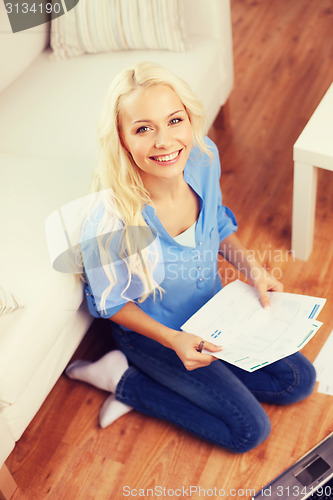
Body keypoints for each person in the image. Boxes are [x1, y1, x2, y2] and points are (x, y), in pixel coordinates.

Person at [66, 62, 316, 453]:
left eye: (174, 120)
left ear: (189, 118)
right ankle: (124, 379)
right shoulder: (110, 222)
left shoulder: (201, 157)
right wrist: (175, 340)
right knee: (250, 431)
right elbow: (112, 304)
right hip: (156, 338)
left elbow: (215, 222)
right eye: (144, 128)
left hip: (214, 315)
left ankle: (185, 381)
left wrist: (253, 271)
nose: (165, 141)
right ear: (122, 138)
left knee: (298, 381)